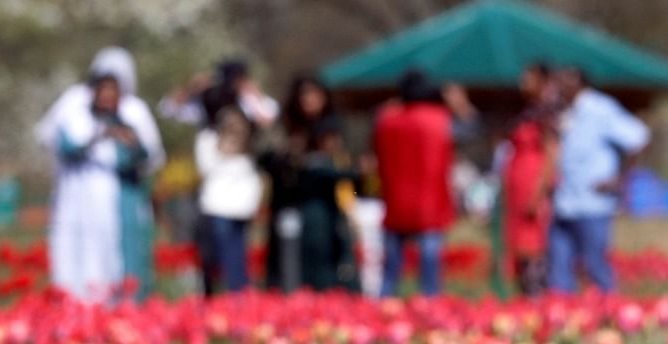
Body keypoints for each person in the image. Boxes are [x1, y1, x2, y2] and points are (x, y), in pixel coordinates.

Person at [36, 47, 165, 303]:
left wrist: (129, 141)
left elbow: (150, 156)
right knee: (79, 253)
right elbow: (55, 140)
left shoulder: (132, 114)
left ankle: (118, 302)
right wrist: (96, 138)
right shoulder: (74, 106)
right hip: (77, 199)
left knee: (115, 256)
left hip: (117, 201)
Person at [373, 70, 477, 297]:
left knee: (391, 267)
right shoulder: (439, 119)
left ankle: (383, 305)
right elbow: (471, 130)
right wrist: (461, 105)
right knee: (429, 265)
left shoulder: (387, 120)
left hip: (396, 201)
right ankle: (429, 307)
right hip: (430, 202)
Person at [548, 67, 649, 293]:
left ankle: (609, 315)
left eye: (564, 80)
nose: (559, 87)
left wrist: (620, 178)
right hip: (565, 201)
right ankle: (562, 318)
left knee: (596, 266)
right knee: (559, 269)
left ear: (578, 82)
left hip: (593, 202)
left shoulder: (600, 109)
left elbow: (638, 138)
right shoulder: (563, 112)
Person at [261, 75, 358, 293]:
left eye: (314, 95)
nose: (309, 100)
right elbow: (267, 160)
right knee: (291, 265)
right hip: (291, 206)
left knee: (325, 261)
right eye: (304, 95)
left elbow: (348, 171)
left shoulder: (331, 126)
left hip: (324, 209)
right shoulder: (286, 127)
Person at [502, 63, 558, 296]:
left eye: (529, 79)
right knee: (519, 248)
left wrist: (539, 192)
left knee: (533, 246)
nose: (523, 84)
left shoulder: (546, 114)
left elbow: (552, 153)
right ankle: (525, 295)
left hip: (533, 186)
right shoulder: (526, 112)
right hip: (517, 188)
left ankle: (537, 296)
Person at [196, 105, 262, 294]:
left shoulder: (247, 149)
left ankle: (238, 293)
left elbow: (252, 178)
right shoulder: (209, 141)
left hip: (241, 209)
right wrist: (222, 149)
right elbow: (206, 169)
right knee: (217, 255)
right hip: (217, 208)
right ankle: (216, 294)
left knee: (237, 255)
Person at [159, 59, 279, 130]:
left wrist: (255, 95)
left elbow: (269, 118)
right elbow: (166, 110)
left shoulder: (245, 100)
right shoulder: (209, 101)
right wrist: (190, 89)